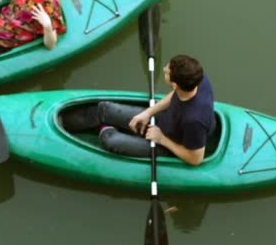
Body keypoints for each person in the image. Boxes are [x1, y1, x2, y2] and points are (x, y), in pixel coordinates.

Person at [61, 55, 216, 166]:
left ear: (175, 84)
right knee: (104, 108)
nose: (164, 69)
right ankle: (63, 123)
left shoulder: (193, 121)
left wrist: (161, 139)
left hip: (168, 146)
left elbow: (195, 159)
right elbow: (175, 95)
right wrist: (148, 113)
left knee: (110, 141)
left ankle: (104, 130)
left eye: (167, 72)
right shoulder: (197, 79)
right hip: (164, 121)